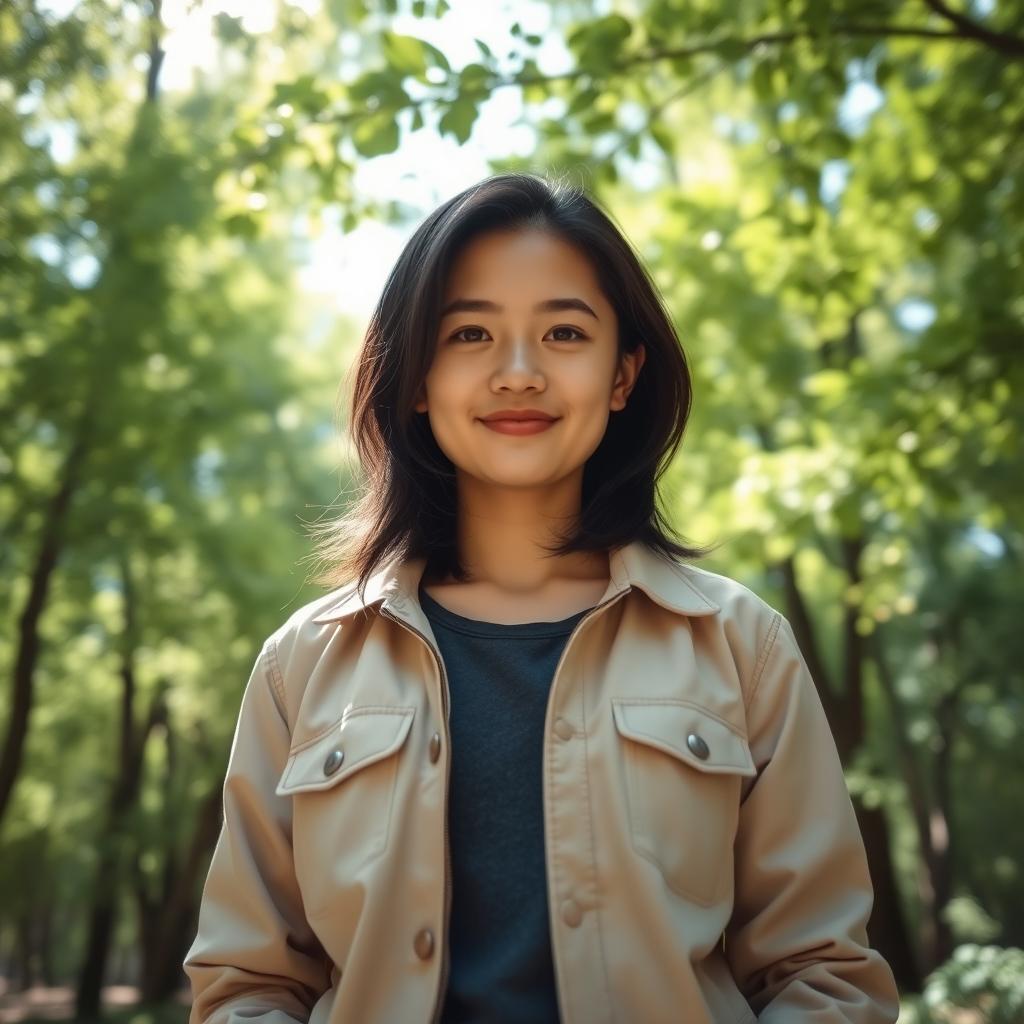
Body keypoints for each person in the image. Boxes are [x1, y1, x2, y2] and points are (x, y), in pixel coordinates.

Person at [183, 172, 900, 1023]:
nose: (518, 373)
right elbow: (249, 984)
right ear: (415, 377)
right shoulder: (301, 666)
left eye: (564, 331)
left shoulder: (742, 645)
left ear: (624, 373)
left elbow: (822, 974)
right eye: (470, 333)